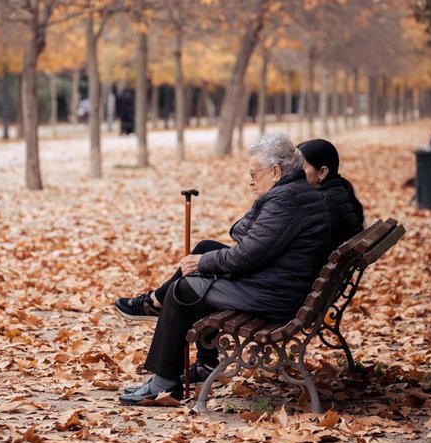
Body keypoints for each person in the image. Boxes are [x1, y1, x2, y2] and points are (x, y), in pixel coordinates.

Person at [114, 133, 331, 405]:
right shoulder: (291, 192)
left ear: (276, 171)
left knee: (183, 290)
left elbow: (247, 255)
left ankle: (163, 382)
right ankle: (161, 311)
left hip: (274, 295)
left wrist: (202, 264)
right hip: (279, 283)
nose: (251, 180)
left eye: (255, 173)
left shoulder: (286, 200)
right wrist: (210, 255)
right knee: (206, 248)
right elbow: (241, 231)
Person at [297, 139, 364, 251]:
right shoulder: (341, 189)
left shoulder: (323, 205)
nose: (294, 172)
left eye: (300, 168)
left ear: (322, 172)